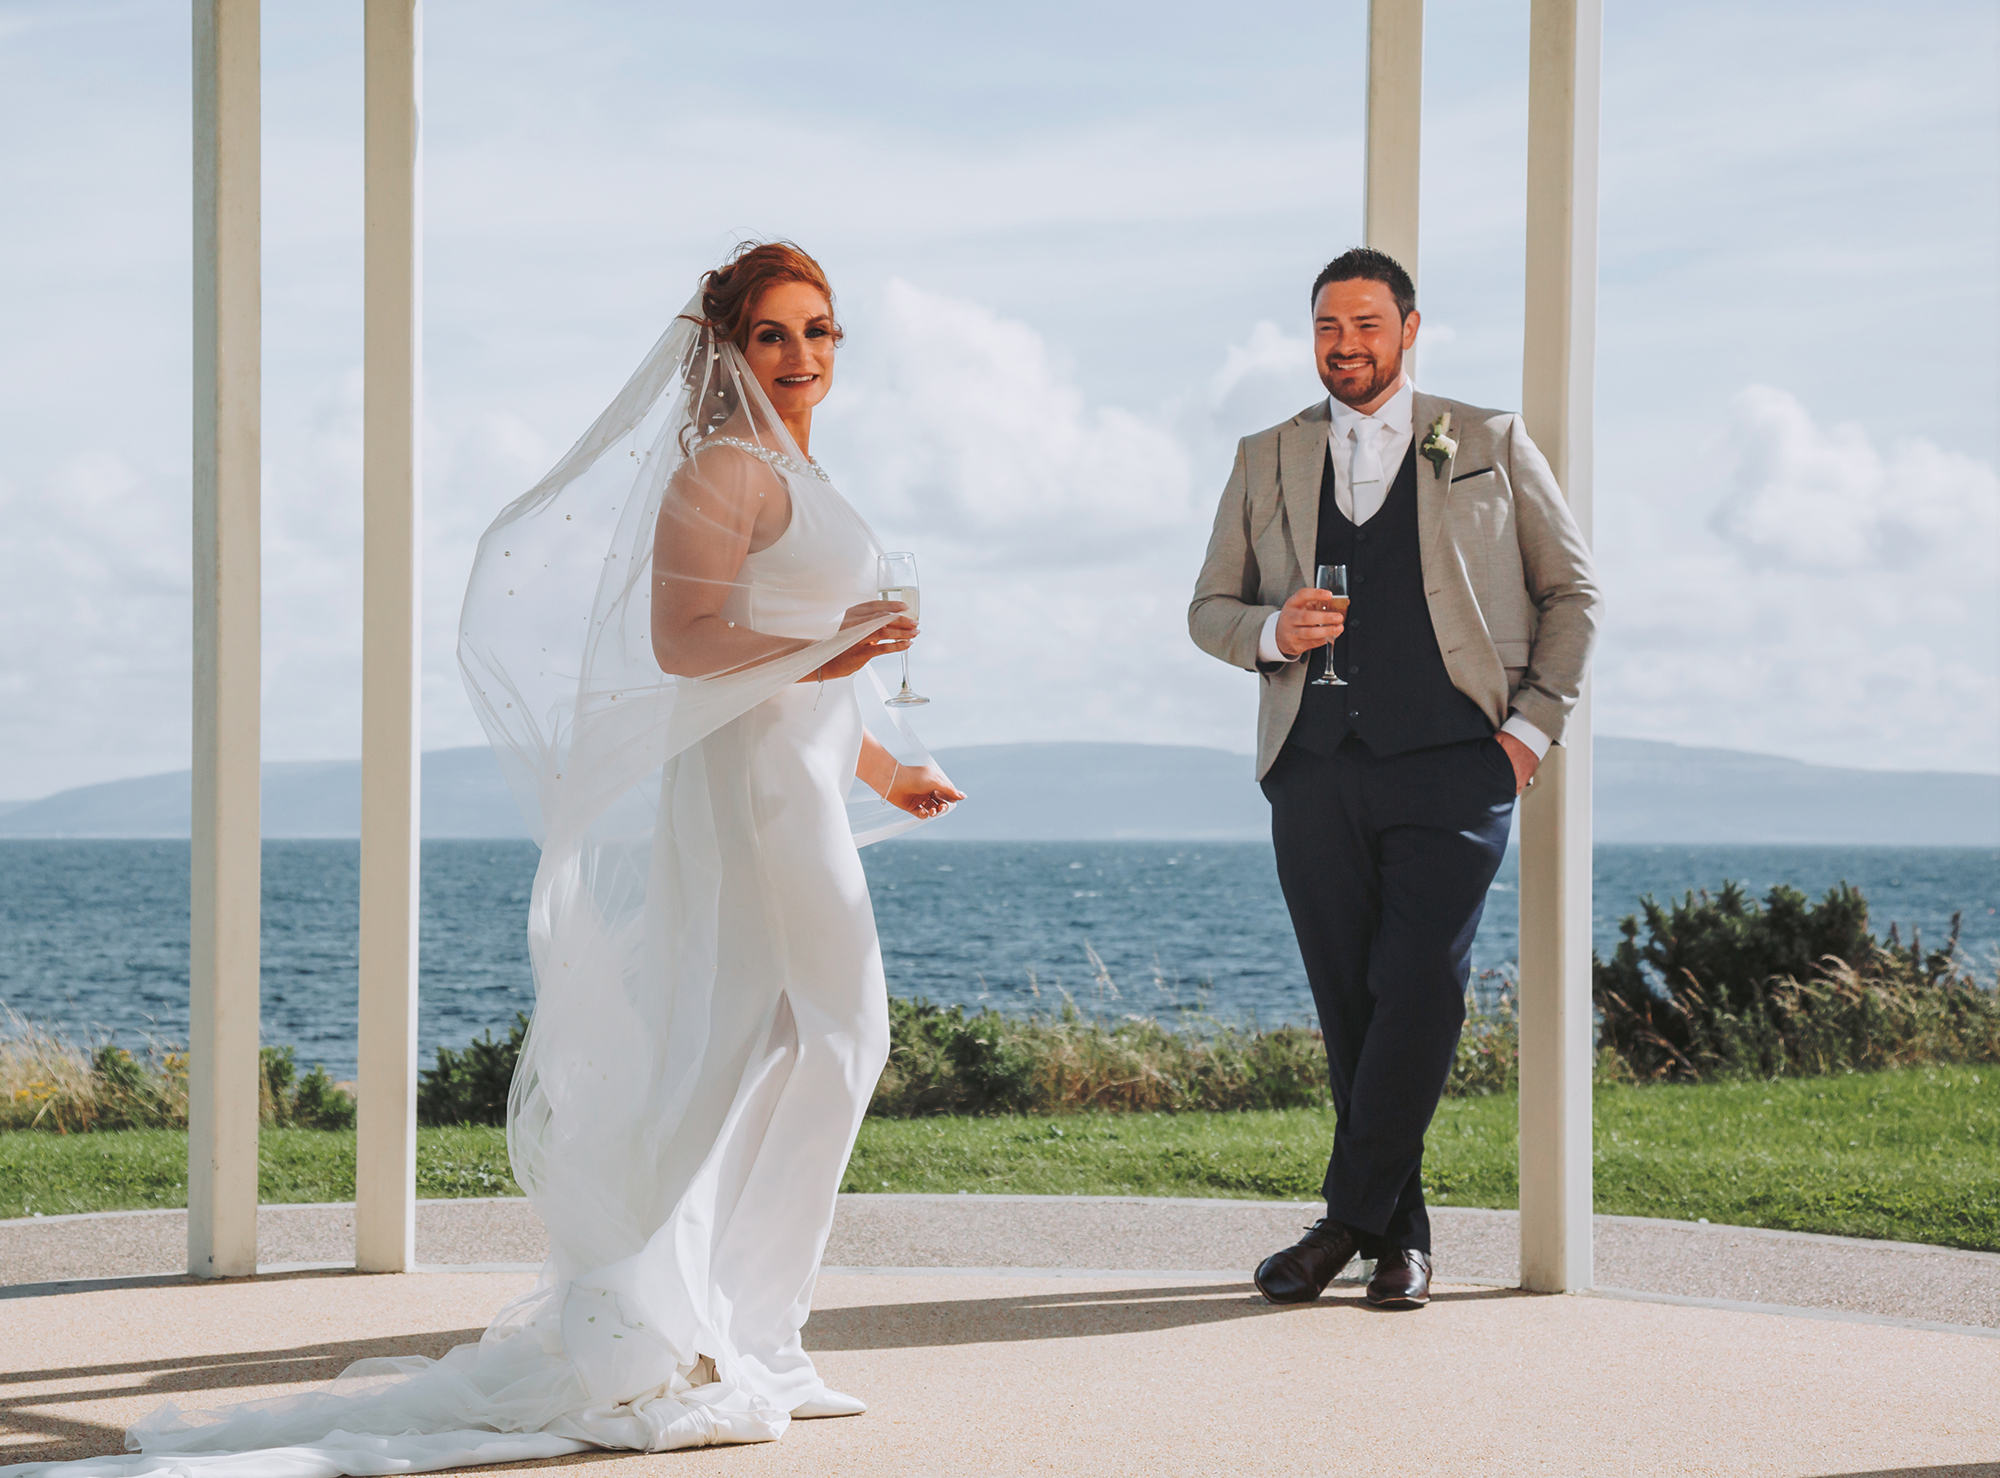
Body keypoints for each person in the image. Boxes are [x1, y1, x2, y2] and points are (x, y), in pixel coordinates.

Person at [5, 242, 963, 1478]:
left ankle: (750, 1329)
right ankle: (732, 1334)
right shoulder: (721, 469)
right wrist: (831, 646)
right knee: (831, 1035)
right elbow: (684, 645)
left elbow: (804, 664)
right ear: (724, 343)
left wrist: (886, 765)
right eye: (775, 333)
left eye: (821, 331)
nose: (802, 357)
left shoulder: (795, 464)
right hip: (756, 800)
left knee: (785, 1041)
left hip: (805, 785)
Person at [1187, 247, 1599, 1309]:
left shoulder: (1487, 439)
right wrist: (1270, 628)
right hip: (1313, 767)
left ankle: (1340, 1225)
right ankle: (1400, 1241)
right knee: (1349, 1006)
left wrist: (1528, 732)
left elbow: (1571, 592)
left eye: (1366, 325)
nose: (1345, 346)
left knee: (1418, 986)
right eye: (1327, 327)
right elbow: (1207, 608)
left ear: (1408, 331)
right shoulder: (1265, 454)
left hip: (1456, 767)